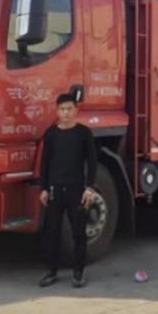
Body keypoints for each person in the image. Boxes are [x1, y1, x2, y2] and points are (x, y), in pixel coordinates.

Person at [39, 93, 97, 288]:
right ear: (57, 111)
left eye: (69, 109)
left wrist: (89, 188)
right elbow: (45, 163)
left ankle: (78, 272)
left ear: (76, 110)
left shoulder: (84, 133)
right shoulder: (51, 134)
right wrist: (43, 188)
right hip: (54, 190)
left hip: (76, 191)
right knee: (52, 232)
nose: (66, 113)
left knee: (78, 233)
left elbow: (92, 162)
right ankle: (51, 271)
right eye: (62, 109)